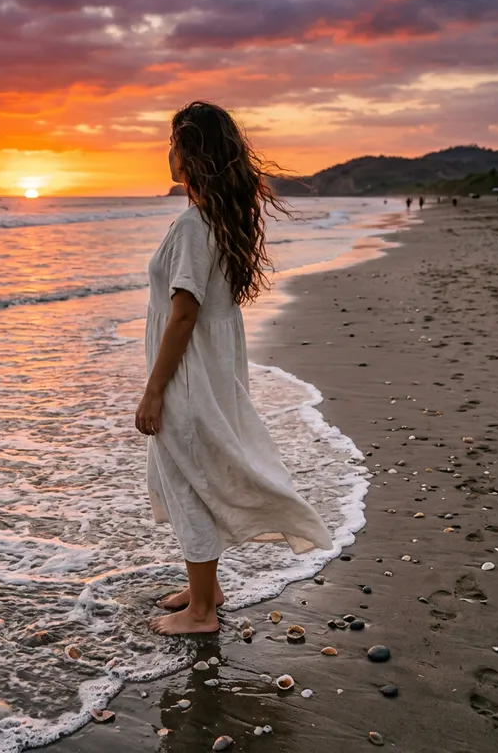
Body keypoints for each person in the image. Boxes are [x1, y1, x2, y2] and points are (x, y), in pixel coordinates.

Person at [136, 101, 334, 636]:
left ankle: (201, 613)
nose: (167, 151)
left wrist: (154, 391)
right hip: (211, 368)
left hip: (189, 374)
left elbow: (183, 314)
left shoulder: (193, 226)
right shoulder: (216, 219)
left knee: (188, 479)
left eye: (173, 141)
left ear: (190, 153)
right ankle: (208, 589)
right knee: (191, 471)